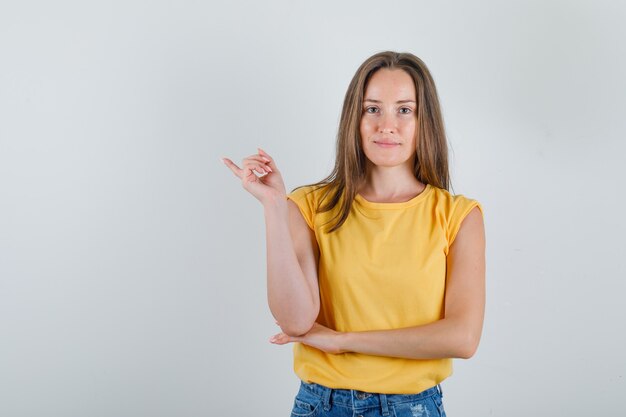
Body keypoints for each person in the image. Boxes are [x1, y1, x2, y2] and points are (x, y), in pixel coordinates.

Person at [222, 50, 485, 417]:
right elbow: (296, 321)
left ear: (424, 120)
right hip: (322, 404)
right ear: (355, 118)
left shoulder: (458, 216)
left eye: (404, 110)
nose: (386, 125)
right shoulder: (308, 206)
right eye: (372, 109)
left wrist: (341, 341)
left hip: (414, 407)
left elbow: (463, 338)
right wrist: (273, 207)